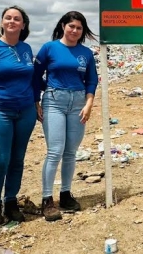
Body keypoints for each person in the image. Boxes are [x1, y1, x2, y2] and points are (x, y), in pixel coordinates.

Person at [0, 6, 38, 228]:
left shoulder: (26, 48)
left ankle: (11, 202)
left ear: (23, 25)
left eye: (17, 19)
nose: (12, 21)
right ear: (2, 22)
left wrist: (35, 103)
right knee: (0, 160)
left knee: (17, 159)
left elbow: (32, 80)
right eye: (8, 18)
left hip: (26, 112)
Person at [34, 11, 98, 221]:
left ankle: (66, 194)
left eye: (79, 28)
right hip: (54, 101)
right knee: (55, 150)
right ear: (63, 26)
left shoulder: (86, 53)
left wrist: (89, 104)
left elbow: (91, 80)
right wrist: (38, 100)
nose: (74, 31)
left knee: (71, 151)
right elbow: (35, 75)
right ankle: (47, 200)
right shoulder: (49, 48)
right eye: (71, 26)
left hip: (79, 102)